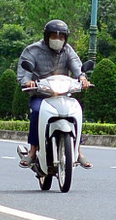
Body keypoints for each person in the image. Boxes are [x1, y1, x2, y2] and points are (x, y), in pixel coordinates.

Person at [17, 19, 92, 169]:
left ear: (65, 39)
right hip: (41, 95)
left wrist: (83, 78)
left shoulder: (68, 50)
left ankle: (78, 151)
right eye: (54, 36)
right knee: (37, 112)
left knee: (76, 111)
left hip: (62, 95)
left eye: (61, 37)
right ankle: (32, 152)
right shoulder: (33, 51)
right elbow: (24, 72)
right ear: (46, 36)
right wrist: (27, 82)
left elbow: (77, 67)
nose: (58, 39)